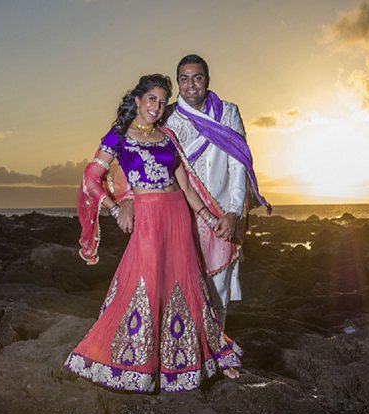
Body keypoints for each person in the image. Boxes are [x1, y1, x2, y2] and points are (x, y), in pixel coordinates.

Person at [64, 74, 242, 393]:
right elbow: (91, 179)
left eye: (162, 102)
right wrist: (117, 208)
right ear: (137, 100)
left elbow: (184, 184)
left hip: (178, 214)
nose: (157, 108)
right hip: (148, 216)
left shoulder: (167, 135)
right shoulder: (118, 136)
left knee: (186, 283)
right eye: (151, 100)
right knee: (145, 281)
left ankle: (200, 359)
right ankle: (138, 361)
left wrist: (206, 216)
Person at [165, 54, 271, 329]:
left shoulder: (228, 112)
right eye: (184, 79)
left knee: (218, 287)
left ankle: (217, 352)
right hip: (181, 213)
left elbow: (239, 163)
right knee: (181, 286)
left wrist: (235, 211)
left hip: (222, 211)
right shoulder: (168, 117)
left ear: (207, 80)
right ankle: (187, 354)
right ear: (178, 82)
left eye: (197, 77)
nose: (191, 85)